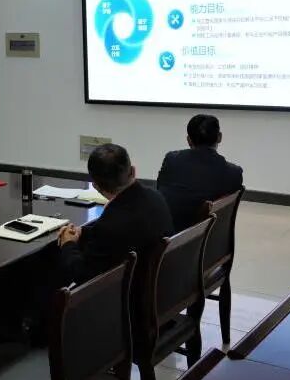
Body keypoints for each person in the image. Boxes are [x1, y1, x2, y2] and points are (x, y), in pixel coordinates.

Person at [57, 144, 173, 286]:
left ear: (96, 186)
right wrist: (83, 231)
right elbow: (125, 233)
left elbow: (82, 275)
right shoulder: (155, 197)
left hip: (129, 295)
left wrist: (68, 244)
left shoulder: (111, 225)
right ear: (133, 171)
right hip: (161, 285)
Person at [157, 114, 243, 230]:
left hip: (165, 235)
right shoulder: (234, 173)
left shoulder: (171, 160)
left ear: (189, 140)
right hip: (205, 236)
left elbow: (160, 190)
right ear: (219, 137)